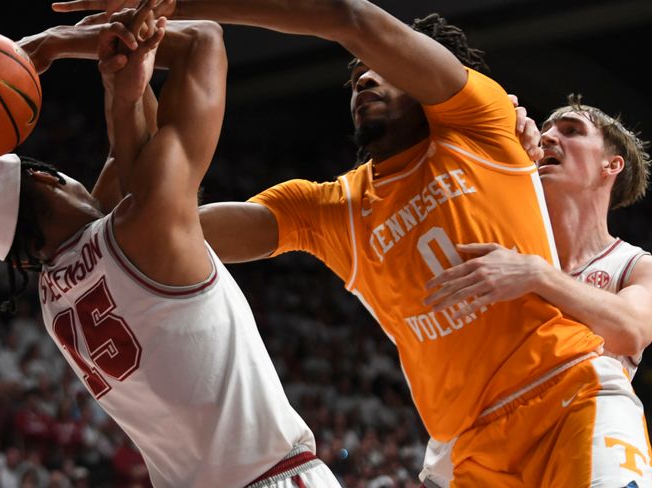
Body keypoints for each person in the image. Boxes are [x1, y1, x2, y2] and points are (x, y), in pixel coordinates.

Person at [50, 0, 652, 484]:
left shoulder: (480, 126)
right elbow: (160, 223)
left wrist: (163, 4)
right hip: (470, 452)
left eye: (384, 71)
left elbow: (348, 17)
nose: (364, 76)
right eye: (359, 77)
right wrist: (127, 95)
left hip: (570, 398)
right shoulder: (330, 209)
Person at [0, 6, 340, 488]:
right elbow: (204, 40)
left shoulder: (53, 300)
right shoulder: (139, 227)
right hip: (273, 477)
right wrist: (58, 43)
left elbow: (133, 170)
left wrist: (124, 95)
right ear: (43, 176)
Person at [419, 95, 652, 487]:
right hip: (481, 449)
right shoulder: (498, 240)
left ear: (610, 165)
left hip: (581, 432)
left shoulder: (634, 264)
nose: (549, 138)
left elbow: (629, 330)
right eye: (545, 131)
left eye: (571, 131)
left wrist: (538, 275)